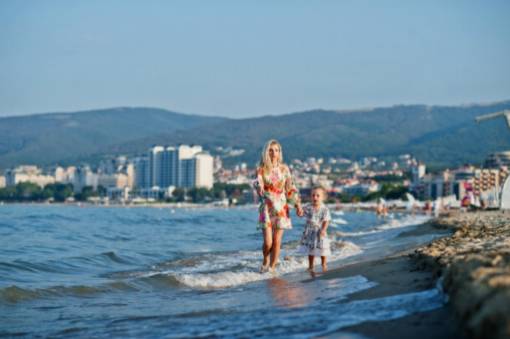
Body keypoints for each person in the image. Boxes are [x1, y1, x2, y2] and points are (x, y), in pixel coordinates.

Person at [254, 139, 303, 273]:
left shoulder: (284, 169)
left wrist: (298, 205)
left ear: (279, 152)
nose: (273, 153)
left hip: (281, 207)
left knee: (277, 241)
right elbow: (257, 182)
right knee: (268, 242)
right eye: (270, 150)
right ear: (266, 152)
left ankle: (272, 268)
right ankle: (265, 259)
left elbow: (290, 188)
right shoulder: (261, 169)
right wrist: (259, 188)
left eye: (276, 150)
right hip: (267, 208)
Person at [298, 186, 331, 273]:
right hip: (310, 231)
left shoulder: (325, 209)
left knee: (323, 248)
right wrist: (298, 207)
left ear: (323, 197)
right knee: (310, 249)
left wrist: (324, 229)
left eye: (317, 195)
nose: (315, 197)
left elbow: (326, 220)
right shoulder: (308, 207)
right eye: (313, 195)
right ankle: (311, 265)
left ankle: (323, 263)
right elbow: (300, 214)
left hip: (320, 231)